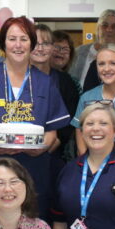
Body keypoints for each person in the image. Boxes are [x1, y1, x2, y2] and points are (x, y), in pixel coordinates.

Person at [0, 17, 70, 219]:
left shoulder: (45, 83)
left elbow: (52, 132)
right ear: (3, 44)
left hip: (31, 175)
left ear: (32, 44)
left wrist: (42, 147)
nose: (18, 45)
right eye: (12, 39)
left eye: (24, 39)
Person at [32, 24, 80, 162]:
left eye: (46, 43)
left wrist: (48, 149)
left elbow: (68, 122)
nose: (40, 48)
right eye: (36, 43)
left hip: (53, 151)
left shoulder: (65, 82)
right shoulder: (18, 77)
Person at [68, 9, 115, 92]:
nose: (109, 30)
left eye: (114, 26)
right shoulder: (78, 52)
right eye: (104, 25)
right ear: (98, 28)